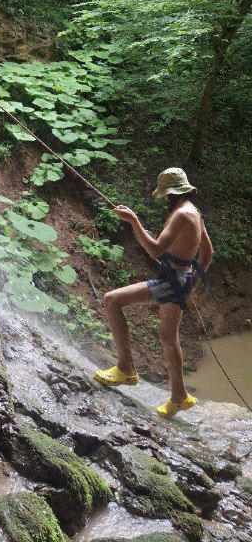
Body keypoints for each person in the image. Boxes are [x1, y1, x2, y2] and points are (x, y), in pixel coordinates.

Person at [94, 167, 214, 417]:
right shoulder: (194, 211)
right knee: (169, 338)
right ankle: (179, 396)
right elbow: (207, 253)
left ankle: (125, 369)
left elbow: (156, 250)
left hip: (172, 281)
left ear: (170, 194)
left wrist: (133, 221)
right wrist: (193, 282)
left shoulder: (181, 215)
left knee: (111, 300)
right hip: (180, 280)